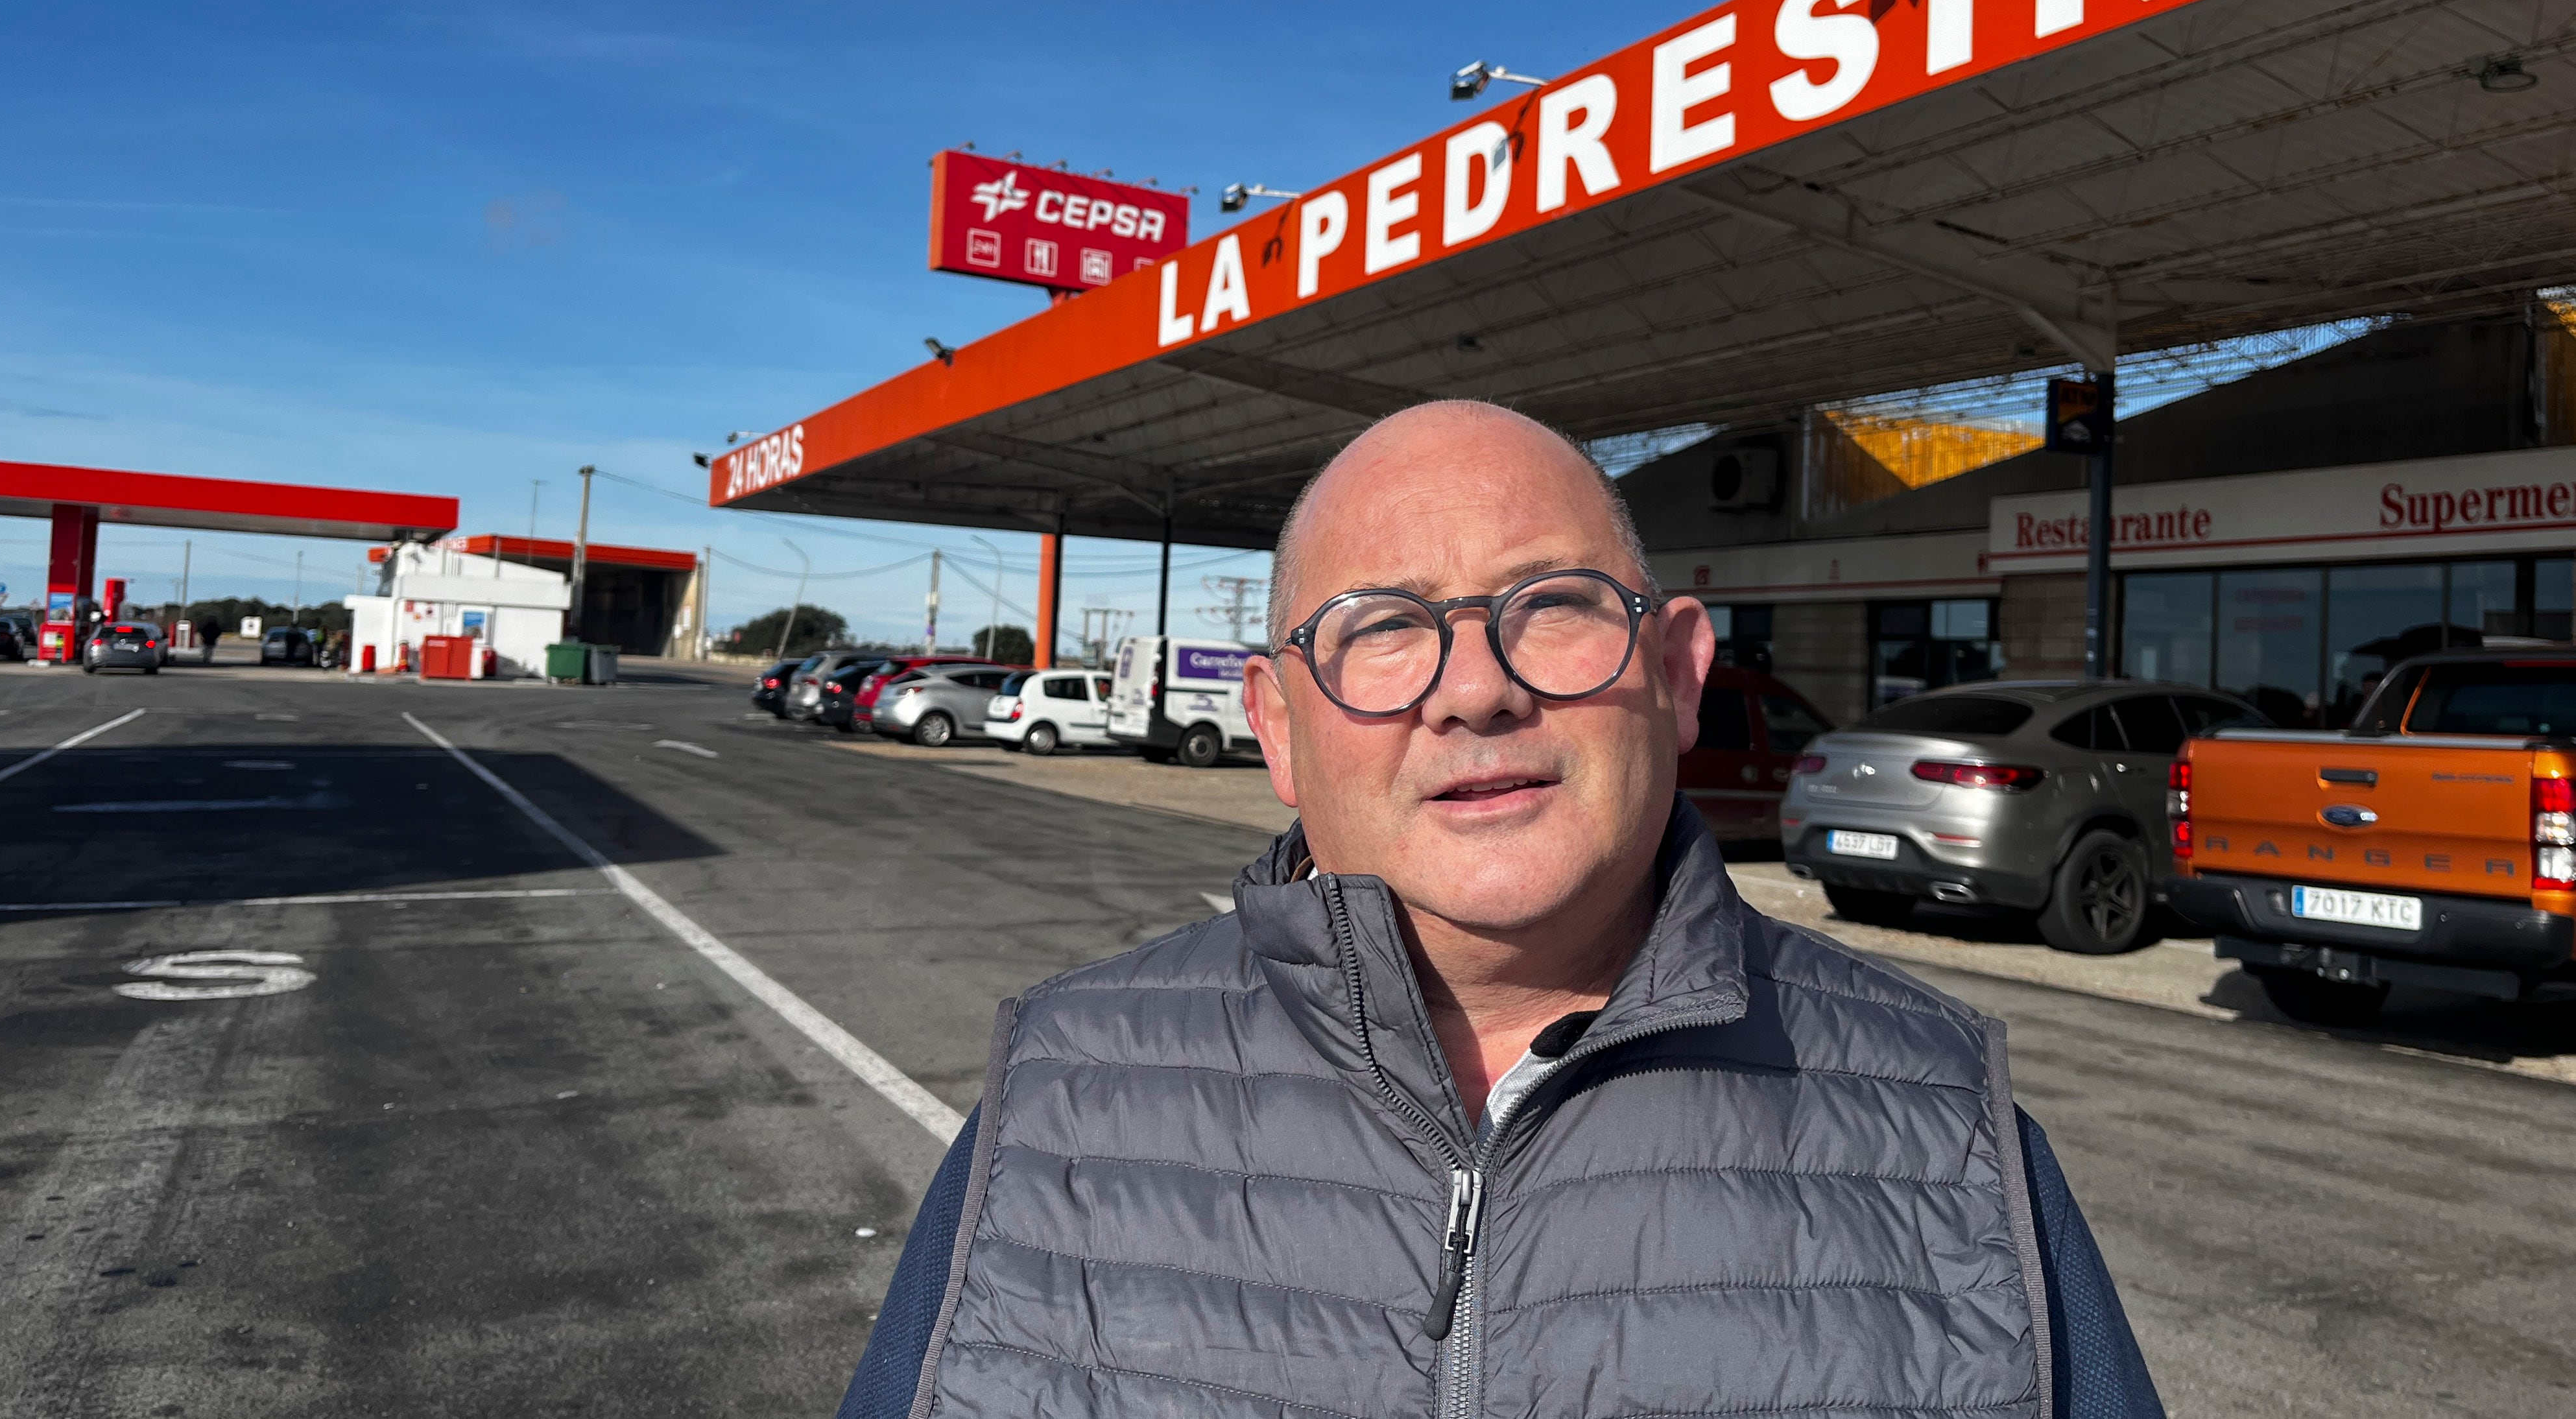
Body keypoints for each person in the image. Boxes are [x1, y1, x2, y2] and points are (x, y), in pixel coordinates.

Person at [838, 401, 2161, 1419]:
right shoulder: (1053, 1104)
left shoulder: (1951, 1129)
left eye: (1554, 605)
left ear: (1679, 672)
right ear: (1278, 729)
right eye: (1383, 626)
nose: (1474, 690)